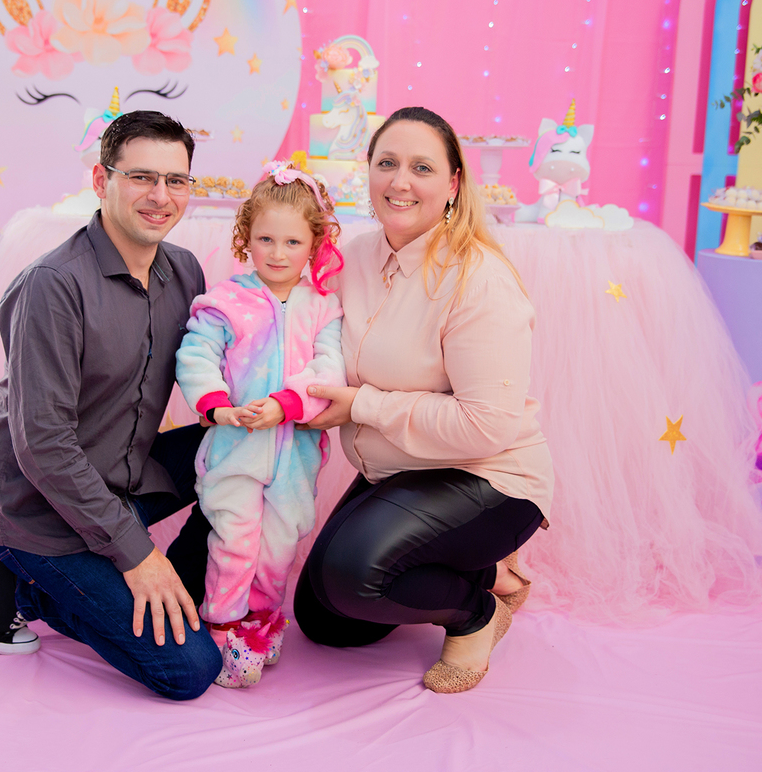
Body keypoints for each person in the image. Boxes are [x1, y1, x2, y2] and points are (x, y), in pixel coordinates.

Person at [292, 107, 555, 694]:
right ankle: (490, 574)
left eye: (421, 167)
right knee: (327, 622)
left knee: (352, 576)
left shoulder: (478, 280)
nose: (399, 181)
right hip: (403, 471)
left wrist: (363, 405)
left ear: (454, 183)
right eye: (386, 163)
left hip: (489, 478)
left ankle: (476, 613)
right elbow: (308, 334)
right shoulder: (353, 257)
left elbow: (486, 426)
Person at [0, 110, 223, 700]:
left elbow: (210, 368)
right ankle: (26, 585)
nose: (160, 196)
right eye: (141, 177)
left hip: (125, 471)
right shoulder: (53, 286)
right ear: (101, 180)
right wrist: (138, 556)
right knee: (189, 670)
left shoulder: (185, 271)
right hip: (45, 507)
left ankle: (171, 585)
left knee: (252, 449)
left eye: (176, 180)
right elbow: (43, 447)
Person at [175, 161, 346, 688]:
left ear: (314, 244)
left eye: (292, 242)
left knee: (279, 545)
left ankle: (261, 621)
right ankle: (222, 626)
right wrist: (218, 405)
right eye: (265, 239)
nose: (277, 253)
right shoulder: (227, 300)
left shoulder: (324, 306)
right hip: (235, 448)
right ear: (246, 236)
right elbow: (195, 354)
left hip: (294, 453)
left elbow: (329, 368)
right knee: (234, 540)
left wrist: (287, 403)